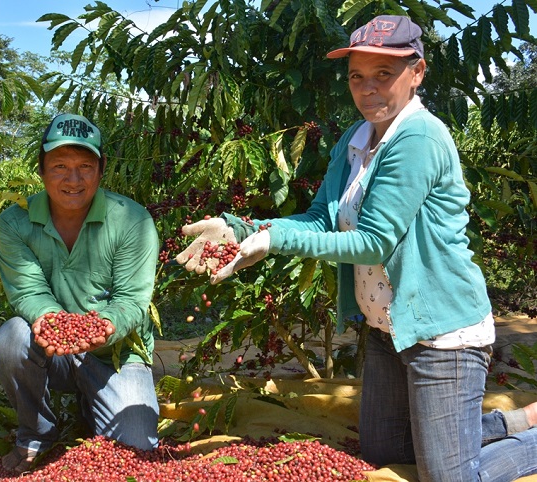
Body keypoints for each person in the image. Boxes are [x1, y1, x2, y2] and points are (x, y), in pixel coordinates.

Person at [176, 15, 537, 482]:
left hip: (443, 334)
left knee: (448, 477)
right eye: (357, 77)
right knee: (385, 454)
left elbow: (372, 243)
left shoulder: (418, 137)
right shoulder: (356, 139)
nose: (368, 90)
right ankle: (501, 423)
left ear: (417, 73)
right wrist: (241, 229)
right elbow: (321, 218)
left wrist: (273, 240)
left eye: (383, 75)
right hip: (390, 331)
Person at [0, 113, 161, 473]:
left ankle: (92, 403)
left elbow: (132, 300)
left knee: (135, 452)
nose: (73, 179)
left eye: (85, 166)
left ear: (101, 170)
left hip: (115, 351)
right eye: (60, 166)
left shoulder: (133, 220)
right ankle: (36, 434)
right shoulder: (15, 221)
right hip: (51, 349)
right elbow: (29, 291)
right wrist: (53, 321)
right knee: (11, 337)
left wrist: (102, 326)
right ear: (41, 169)